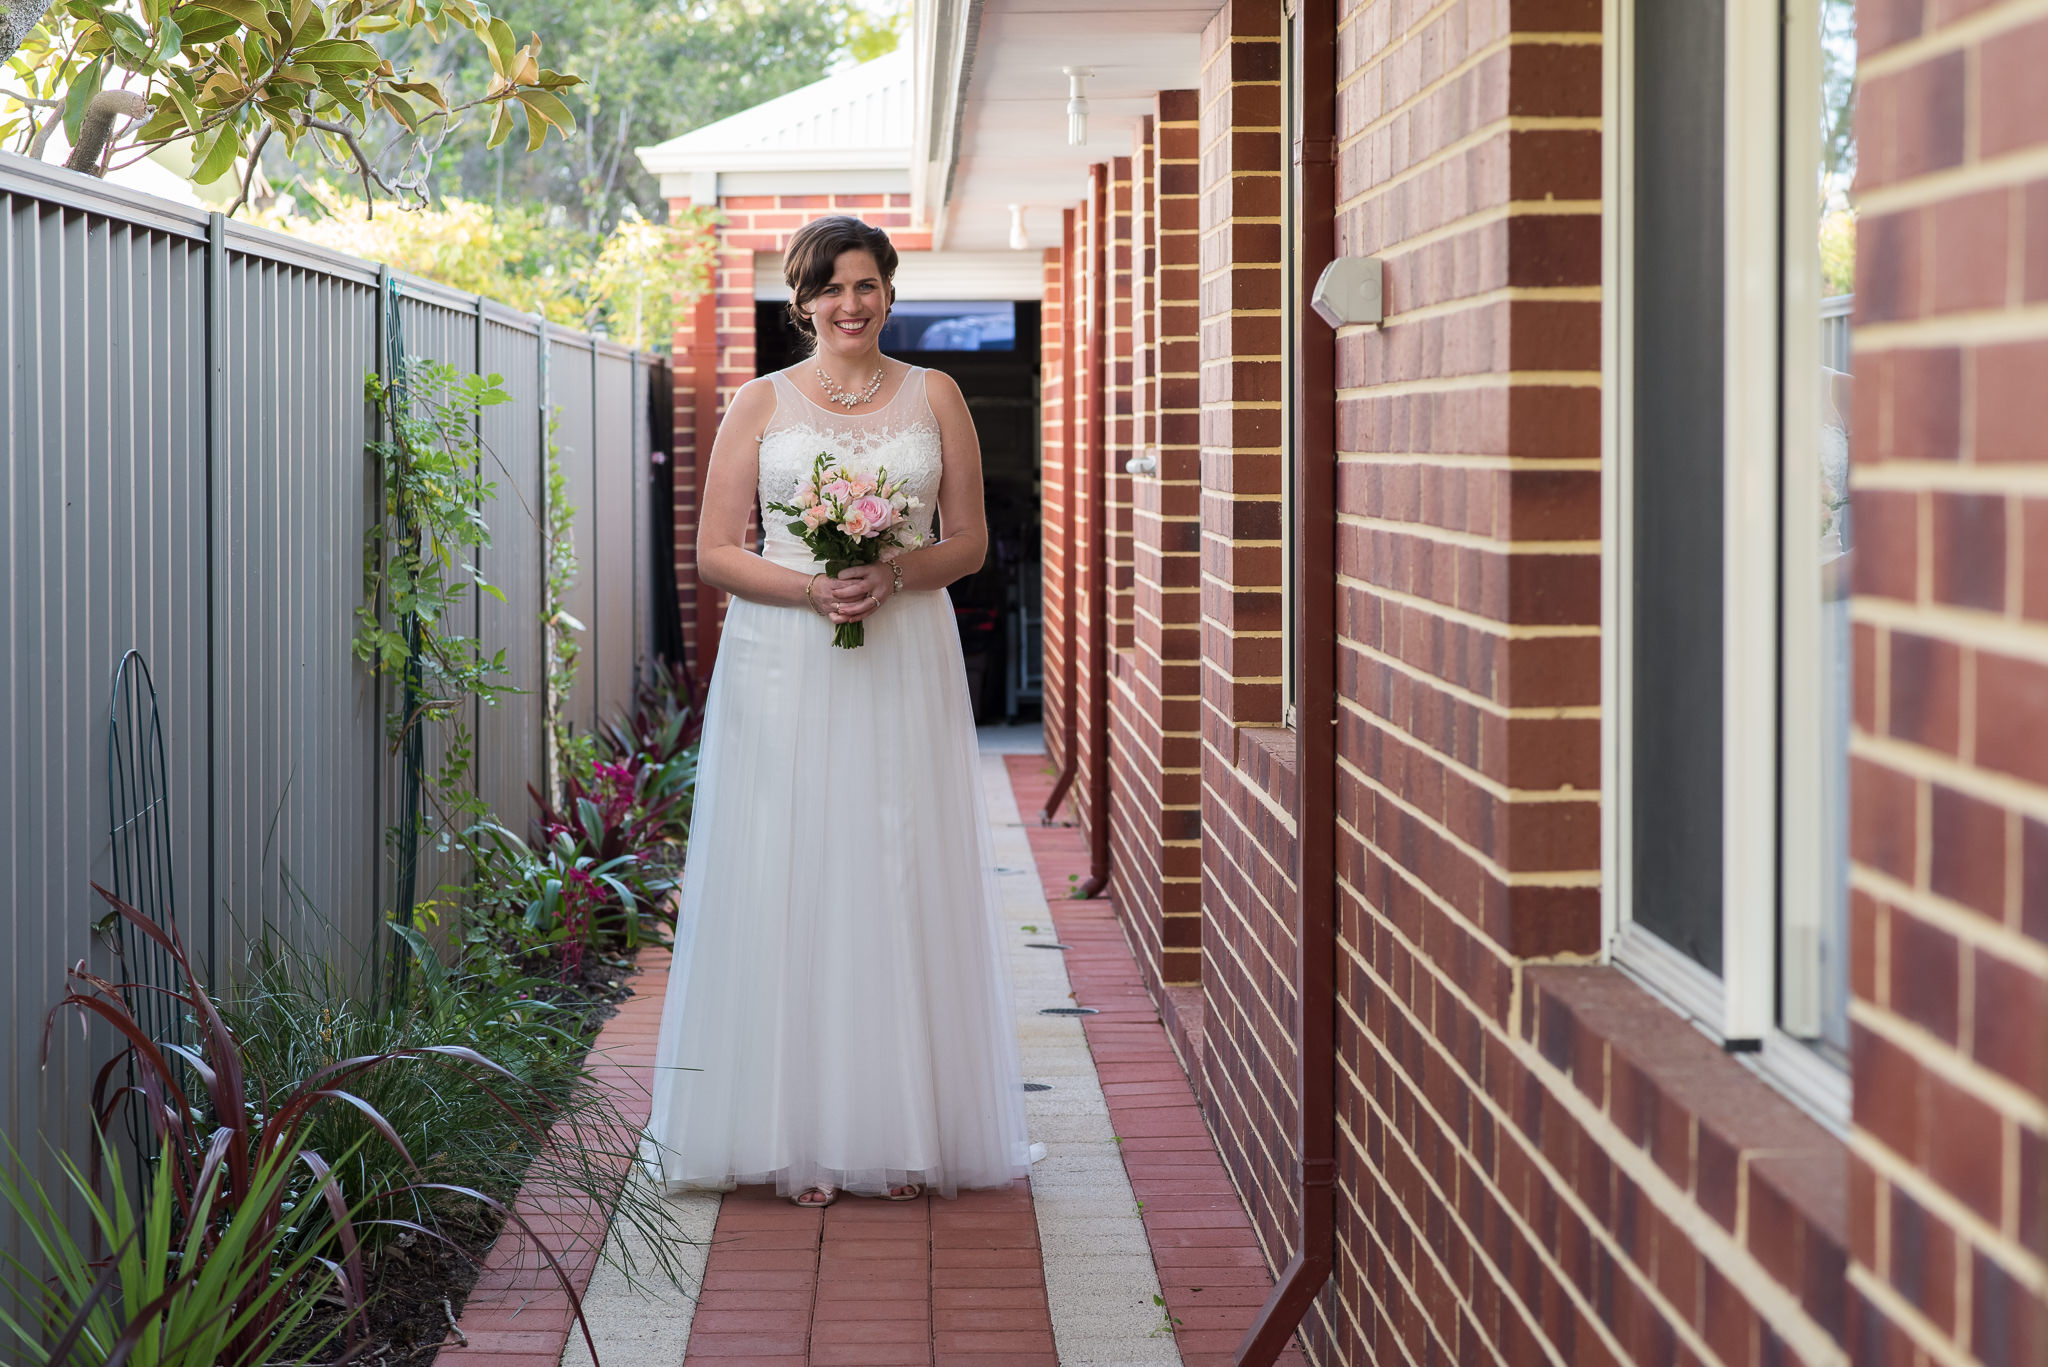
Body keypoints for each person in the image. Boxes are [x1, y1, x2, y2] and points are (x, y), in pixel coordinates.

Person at [642, 216, 1032, 1208]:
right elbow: (716, 551)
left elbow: (972, 542)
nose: (848, 303)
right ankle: (783, 1129)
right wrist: (812, 588)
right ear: (802, 302)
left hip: (900, 651)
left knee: (892, 861)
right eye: (829, 288)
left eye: (865, 285)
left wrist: (888, 570)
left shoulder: (934, 393)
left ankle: (896, 1126)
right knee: (784, 862)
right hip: (780, 657)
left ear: (889, 293)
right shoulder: (758, 401)